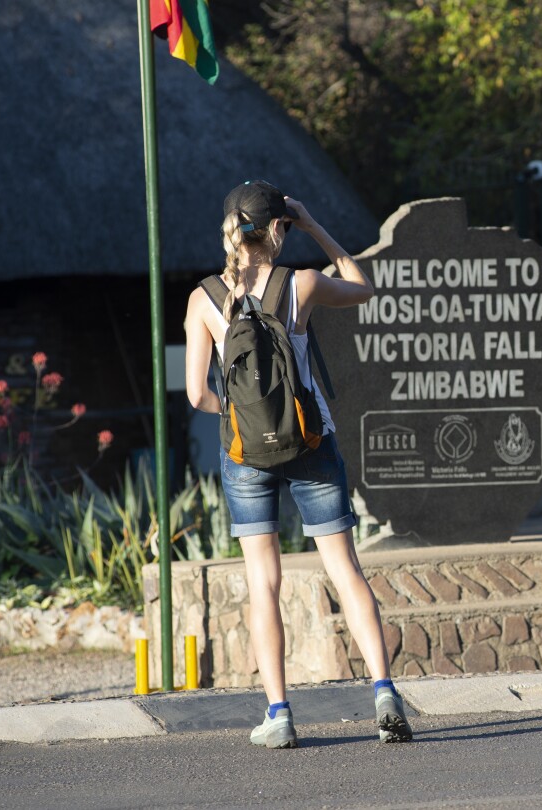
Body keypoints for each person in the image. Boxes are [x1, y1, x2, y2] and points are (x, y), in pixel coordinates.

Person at [184, 180, 412, 747]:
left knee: (264, 583)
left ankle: (280, 714)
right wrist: (314, 225)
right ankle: (384, 691)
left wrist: (238, 417)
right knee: (344, 570)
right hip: (312, 444)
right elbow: (363, 286)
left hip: (245, 455)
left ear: (231, 231)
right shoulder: (301, 284)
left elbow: (195, 394)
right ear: (278, 229)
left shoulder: (203, 298)